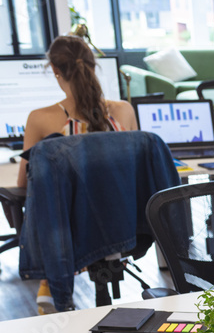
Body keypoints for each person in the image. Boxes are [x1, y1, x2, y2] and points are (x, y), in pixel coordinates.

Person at [16, 35, 138, 314]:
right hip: (123, 224)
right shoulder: (124, 111)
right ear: (93, 66)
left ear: (55, 70)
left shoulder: (40, 118)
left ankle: (51, 277)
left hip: (68, 232)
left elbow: (25, 184)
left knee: (43, 197)